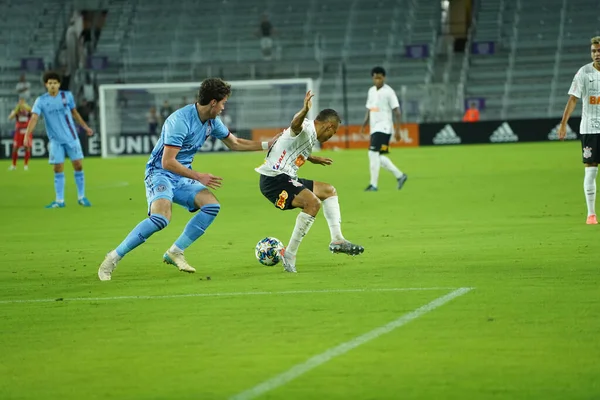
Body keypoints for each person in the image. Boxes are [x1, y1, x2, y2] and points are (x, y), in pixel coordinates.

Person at [98, 78, 279, 281]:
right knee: (161, 219)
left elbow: (234, 143)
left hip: (182, 175)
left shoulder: (211, 121)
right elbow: (167, 162)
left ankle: (175, 251)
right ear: (213, 102)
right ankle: (112, 258)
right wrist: (198, 176)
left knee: (211, 206)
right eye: (222, 103)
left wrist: (267, 145)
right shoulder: (180, 121)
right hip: (160, 173)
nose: (223, 107)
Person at [256, 91, 364, 273]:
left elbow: (292, 146)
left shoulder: (310, 135)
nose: (332, 136)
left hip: (287, 178)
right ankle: (289, 256)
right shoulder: (305, 127)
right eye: (334, 132)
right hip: (274, 180)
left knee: (328, 191)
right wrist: (305, 109)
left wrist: (312, 158)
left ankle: (337, 238)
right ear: (329, 126)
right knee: (313, 203)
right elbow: (294, 125)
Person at [25, 71, 94, 208]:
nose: (52, 86)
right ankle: (59, 201)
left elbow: (75, 113)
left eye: (55, 83)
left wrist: (85, 127)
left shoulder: (66, 96)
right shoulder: (41, 101)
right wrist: (27, 134)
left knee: (78, 165)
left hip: (71, 138)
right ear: (46, 84)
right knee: (57, 168)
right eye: (50, 83)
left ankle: (81, 197)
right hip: (55, 140)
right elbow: (34, 118)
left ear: (59, 84)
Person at [558, 36, 600, 224]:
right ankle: (591, 214)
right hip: (590, 128)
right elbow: (573, 98)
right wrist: (563, 123)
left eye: (599, 51)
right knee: (590, 170)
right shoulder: (583, 72)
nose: (597, 54)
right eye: (594, 51)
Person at [360, 66, 408, 192]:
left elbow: (397, 111)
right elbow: (369, 109)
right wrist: (364, 125)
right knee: (379, 156)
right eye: (375, 78)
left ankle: (373, 185)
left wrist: (398, 130)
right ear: (372, 78)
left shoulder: (389, 92)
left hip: (384, 128)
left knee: (372, 153)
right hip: (374, 128)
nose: (377, 81)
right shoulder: (371, 91)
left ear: (384, 78)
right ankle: (400, 176)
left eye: (380, 78)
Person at [8, 98, 32, 171]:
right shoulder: (16, 111)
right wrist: (16, 110)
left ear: (25, 103)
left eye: (22, 102)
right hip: (18, 132)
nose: (21, 104)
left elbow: (34, 114)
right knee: (15, 148)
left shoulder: (28, 111)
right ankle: (14, 165)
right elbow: (10, 118)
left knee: (27, 147)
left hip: (26, 132)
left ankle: (26, 165)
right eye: (20, 102)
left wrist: (27, 108)